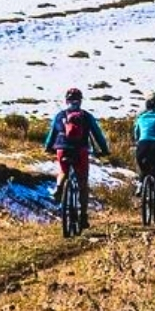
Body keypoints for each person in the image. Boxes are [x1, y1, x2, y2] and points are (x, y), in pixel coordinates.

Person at [44, 87, 110, 231]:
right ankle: (83, 216)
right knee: (82, 182)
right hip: (81, 150)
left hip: (62, 148)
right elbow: (97, 135)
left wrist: (48, 147)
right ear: (80, 101)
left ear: (66, 100)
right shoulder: (86, 116)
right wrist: (104, 150)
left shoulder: (60, 115)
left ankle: (59, 187)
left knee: (62, 170)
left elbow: (52, 134)